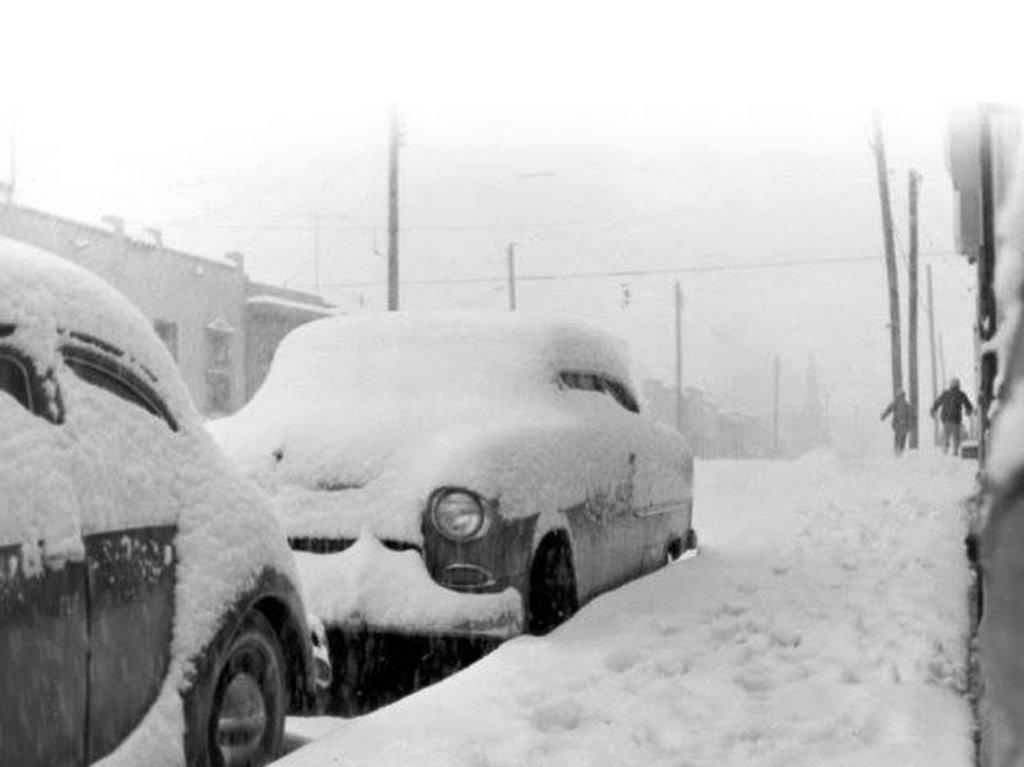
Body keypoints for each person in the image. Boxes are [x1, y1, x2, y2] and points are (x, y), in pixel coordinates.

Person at [930, 377, 974, 456]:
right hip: (956, 419)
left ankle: (945, 449)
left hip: (946, 418)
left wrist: (933, 410)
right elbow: (968, 405)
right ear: (958, 385)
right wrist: (969, 411)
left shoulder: (946, 393)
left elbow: (938, 402)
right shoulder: (961, 394)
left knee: (947, 435)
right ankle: (955, 451)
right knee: (956, 437)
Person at [880, 389, 911, 454]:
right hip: (902, 423)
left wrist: (884, 416)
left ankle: (898, 449)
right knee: (902, 436)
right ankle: (900, 450)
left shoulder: (897, 403)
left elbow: (888, 410)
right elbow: (910, 415)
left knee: (898, 436)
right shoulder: (905, 404)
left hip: (898, 423)